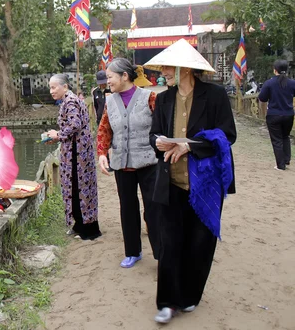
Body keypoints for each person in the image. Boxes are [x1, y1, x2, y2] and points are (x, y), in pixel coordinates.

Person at [144, 39, 236, 324]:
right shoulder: (163, 98)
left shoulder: (216, 95)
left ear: (185, 69)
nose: (163, 72)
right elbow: (154, 133)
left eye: (167, 67)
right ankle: (168, 302)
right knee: (170, 243)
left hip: (205, 184)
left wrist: (190, 146)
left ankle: (190, 296)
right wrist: (158, 142)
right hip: (170, 181)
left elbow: (227, 135)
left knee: (200, 243)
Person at [96, 58, 159, 268]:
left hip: (149, 163)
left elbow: (162, 126)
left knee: (153, 209)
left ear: (125, 76)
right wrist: (102, 153)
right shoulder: (110, 101)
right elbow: (104, 129)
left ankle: (161, 253)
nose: (108, 81)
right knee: (127, 208)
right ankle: (133, 251)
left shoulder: (149, 97)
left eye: (110, 77)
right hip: (122, 164)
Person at [46, 74, 101, 241]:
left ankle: (88, 229)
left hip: (78, 154)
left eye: (54, 87)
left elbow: (74, 125)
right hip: (74, 150)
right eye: (50, 87)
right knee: (74, 187)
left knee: (80, 188)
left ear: (65, 86)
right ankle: (79, 224)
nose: (51, 91)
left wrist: (58, 134)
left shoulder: (70, 101)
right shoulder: (68, 100)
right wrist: (56, 137)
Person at [258, 60, 295, 170]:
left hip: (274, 114)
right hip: (288, 114)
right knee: (285, 136)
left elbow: (262, 98)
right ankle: (286, 159)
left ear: (275, 70)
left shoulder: (269, 83)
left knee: (276, 140)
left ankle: (280, 165)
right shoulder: (292, 83)